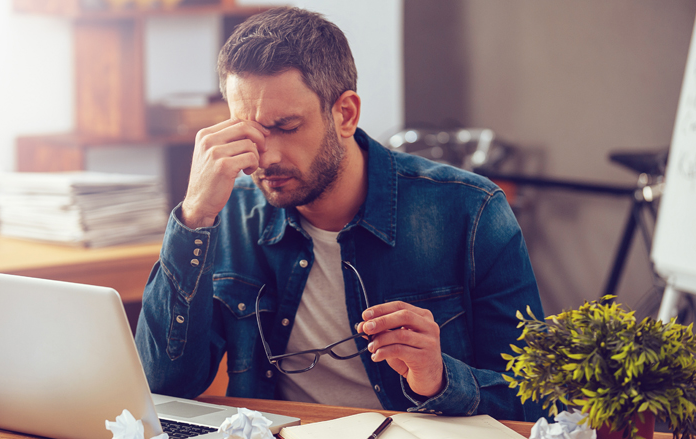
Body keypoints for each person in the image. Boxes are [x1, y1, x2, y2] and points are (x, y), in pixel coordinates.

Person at [135, 6, 546, 421]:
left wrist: (440, 378)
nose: (267, 156)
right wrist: (195, 217)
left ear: (345, 114)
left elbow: (540, 402)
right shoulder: (230, 211)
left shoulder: (471, 211)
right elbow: (164, 387)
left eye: (287, 126)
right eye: (251, 130)